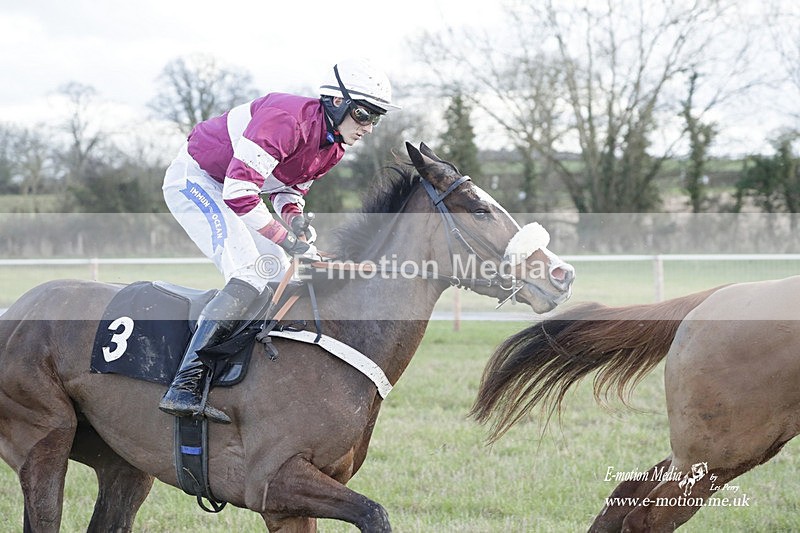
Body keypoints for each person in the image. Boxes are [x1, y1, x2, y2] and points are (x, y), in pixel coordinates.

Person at [159, 58, 400, 423]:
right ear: (337, 102)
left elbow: (288, 193)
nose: (369, 127)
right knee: (249, 274)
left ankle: (249, 369)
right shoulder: (286, 120)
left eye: (377, 118)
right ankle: (184, 384)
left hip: (234, 186)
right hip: (198, 180)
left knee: (281, 273)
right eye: (365, 114)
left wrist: (296, 222)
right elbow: (240, 192)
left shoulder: (333, 146)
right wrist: (286, 239)